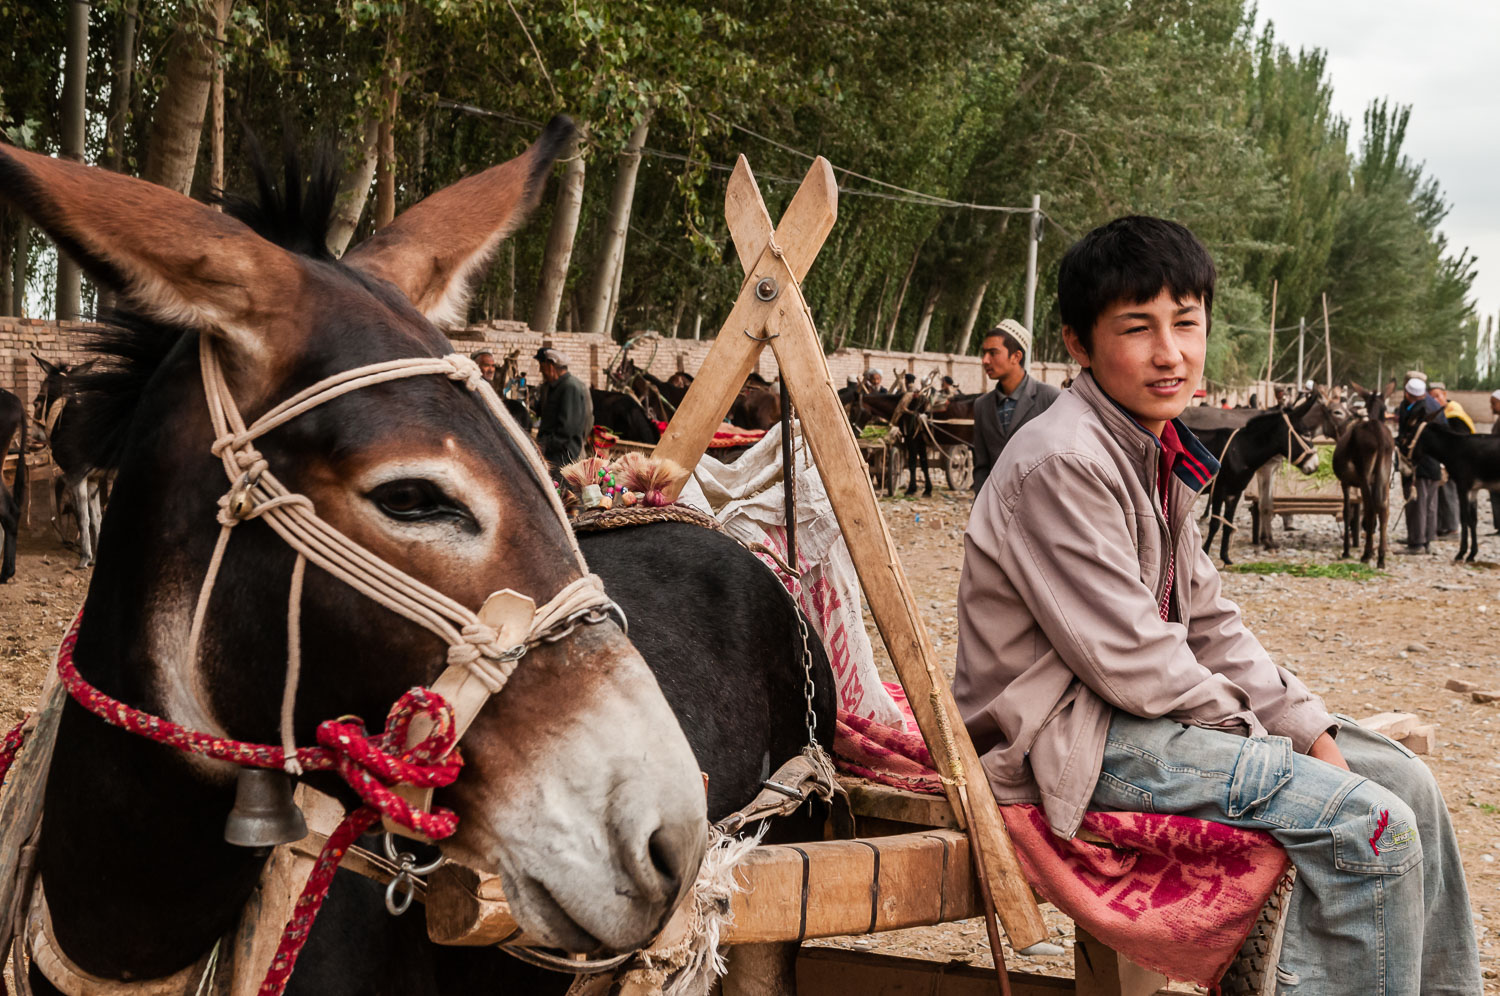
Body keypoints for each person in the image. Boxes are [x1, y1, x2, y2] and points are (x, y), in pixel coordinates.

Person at [955, 215, 1478, 994]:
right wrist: (1268, 747)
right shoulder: (1062, 460)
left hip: (1141, 719)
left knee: (1407, 787)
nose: (1171, 352)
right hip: (1070, 735)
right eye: (1138, 328)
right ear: (1076, 342)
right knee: (1366, 825)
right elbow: (1134, 661)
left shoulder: (1151, 450)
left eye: (1187, 323)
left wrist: (1306, 727)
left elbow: (1207, 624)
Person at [970, 319, 1060, 492]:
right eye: (984, 353)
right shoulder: (982, 406)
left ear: (1016, 356)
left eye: (993, 353)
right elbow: (981, 467)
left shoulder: (1050, 399)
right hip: (998, 508)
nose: (985, 360)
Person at [1398, 377, 1447, 554]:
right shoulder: (1434, 404)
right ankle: (1427, 540)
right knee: (1430, 503)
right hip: (1434, 460)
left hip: (1418, 461)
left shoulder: (1418, 410)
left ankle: (1416, 544)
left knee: (1416, 502)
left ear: (1408, 393)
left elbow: (1409, 436)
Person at [534, 347, 593, 467]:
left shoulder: (570, 387)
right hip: (552, 452)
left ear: (550, 366)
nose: (540, 370)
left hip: (563, 455)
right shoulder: (551, 387)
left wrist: (545, 445)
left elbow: (567, 429)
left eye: (542, 366)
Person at [1428, 382, 1473, 536]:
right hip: (1447, 459)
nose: (1435, 400)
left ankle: (1452, 528)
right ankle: (1442, 526)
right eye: (1431, 397)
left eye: (1437, 396)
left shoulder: (1454, 414)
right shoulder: (1443, 412)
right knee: (1442, 493)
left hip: (1457, 460)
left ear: (1444, 395)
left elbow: (1460, 439)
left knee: (1449, 493)